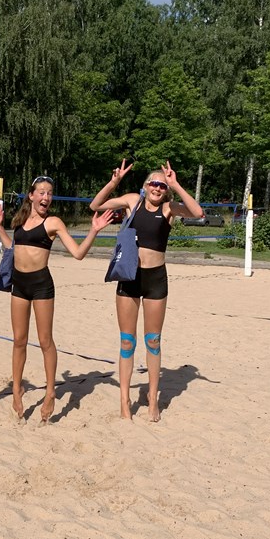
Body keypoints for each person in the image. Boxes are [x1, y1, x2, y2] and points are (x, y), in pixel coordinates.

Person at [89, 160, 203, 422]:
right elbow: (96, 205)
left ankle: (153, 399)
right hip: (129, 276)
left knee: (153, 340)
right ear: (145, 186)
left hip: (155, 278)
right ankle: (124, 401)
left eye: (162, 185)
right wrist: (114, 182)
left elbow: (197, 212)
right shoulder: (133, 201)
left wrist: (176, 184)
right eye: (154, 183)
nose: (157, 188)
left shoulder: (169, 208)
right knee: (127, 341)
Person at [0, 176, 112, 423]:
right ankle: (16, 389)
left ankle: (50, 392)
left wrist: (94, 230)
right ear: (31, 195)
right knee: (19, 340)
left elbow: (78, 253)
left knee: (45, 340)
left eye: (49, 193)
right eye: (41, 192)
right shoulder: (20, 220)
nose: (46, 197)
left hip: (41, 285)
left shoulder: (53, 222)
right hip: (19, 284)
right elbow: (14, 248)